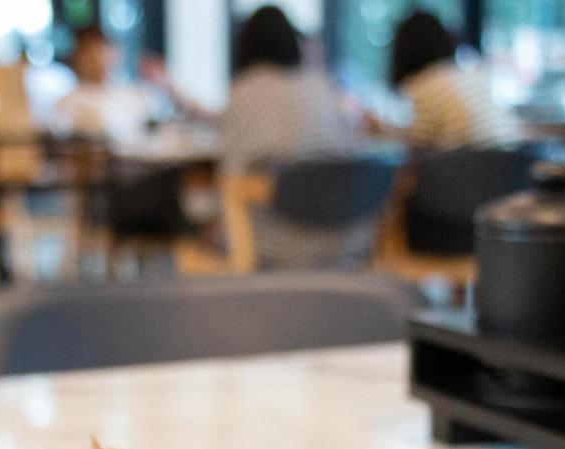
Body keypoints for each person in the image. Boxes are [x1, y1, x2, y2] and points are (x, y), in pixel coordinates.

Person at [219, 5, 369, 269]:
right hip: (345, 240)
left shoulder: (243, 91)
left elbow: (232, 179)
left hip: (274, 247)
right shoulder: (323, 85)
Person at [389, 12, 522, 151]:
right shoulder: (468, 73)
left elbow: (418, 145)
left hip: (468, 165)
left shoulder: (422, 83)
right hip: (512, 162)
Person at [54, 25, 150, 144]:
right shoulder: (70, 101)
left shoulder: (131, 92)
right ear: (78, 57)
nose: (98, 58)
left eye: (102, 50)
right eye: (90, 52)